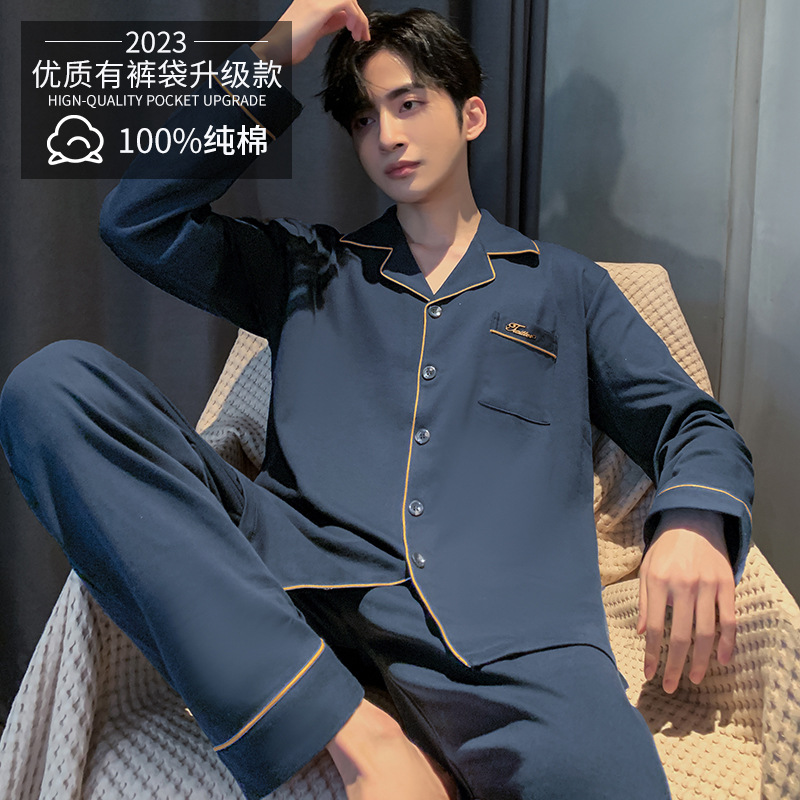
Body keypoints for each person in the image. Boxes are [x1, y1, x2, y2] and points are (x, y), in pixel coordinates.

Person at [0, 2, 754, 798]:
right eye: (364, 119)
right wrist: (278, 47)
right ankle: (353, 729)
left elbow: (689, 422)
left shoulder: (568, 286)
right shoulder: (305, 265)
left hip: (513, 646)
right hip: (294, 603)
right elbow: (139, 221)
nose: (387, 135)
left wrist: (695, 523)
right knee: (55, 387)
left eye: (409, 103)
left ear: (471, 115)